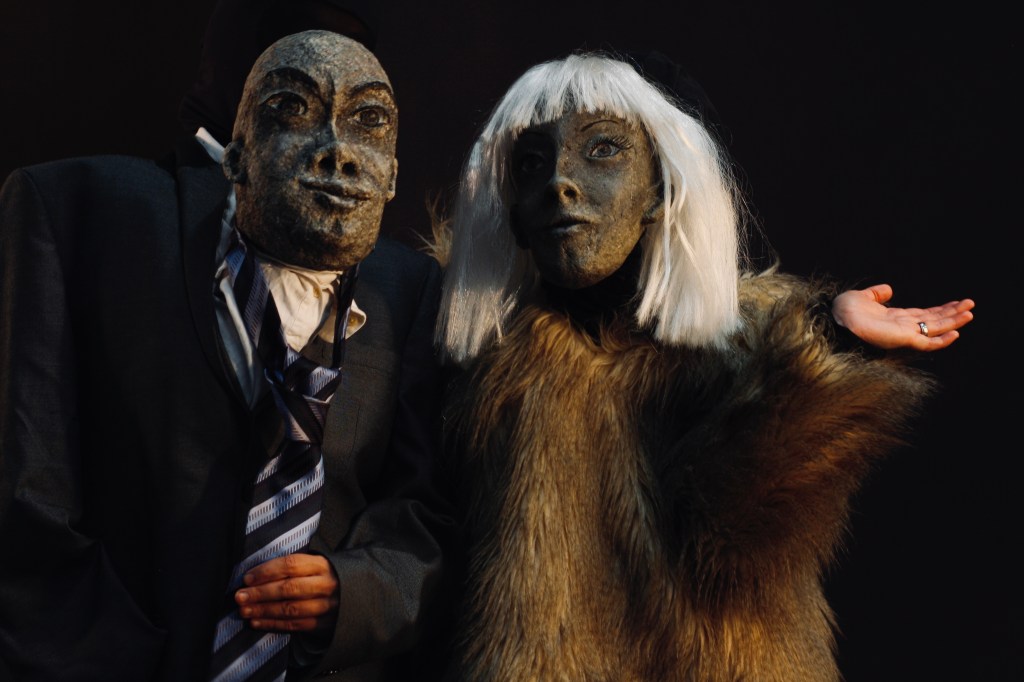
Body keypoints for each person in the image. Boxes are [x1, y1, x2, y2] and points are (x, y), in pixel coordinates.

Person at [432, 52, 975, 681]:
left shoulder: (743, 348)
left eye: (602, 150)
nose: (560, 182)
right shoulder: (481, 369)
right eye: (531, 163)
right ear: (513, 214)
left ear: (659, 190)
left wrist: (825, 342)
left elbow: (739, 540)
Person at [0, 30, 453, 682]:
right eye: (292, 110)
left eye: (369, 121)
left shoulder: (410, 290)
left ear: (394, 177)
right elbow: (28, 491)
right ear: (235, 156)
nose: (338, 152)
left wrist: (354, 593)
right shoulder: (93, 215)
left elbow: (427, 511)